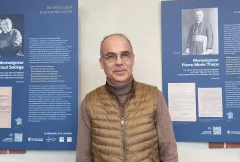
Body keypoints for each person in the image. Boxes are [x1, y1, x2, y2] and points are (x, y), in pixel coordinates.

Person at [76, 33, 178, 162]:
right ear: (102, 63)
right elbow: (83, 156)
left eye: (125, 55)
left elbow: (169, 150)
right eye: (111, 57)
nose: (119, 62)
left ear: (133, 59)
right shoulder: (89, 102)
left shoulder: (154, 97)